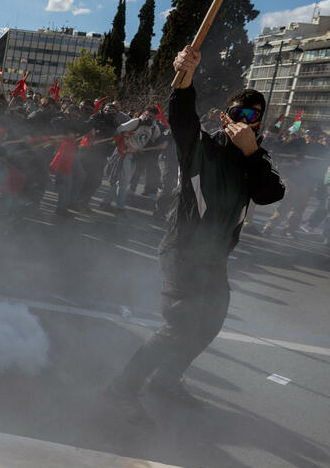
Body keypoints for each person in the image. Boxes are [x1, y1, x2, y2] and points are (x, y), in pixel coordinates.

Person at [106, 46, 285, 425]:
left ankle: (167, 378)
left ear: (259, 125)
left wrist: (252, 153)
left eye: (254, 117)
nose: (246, 121)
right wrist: (183, 75)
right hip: (183, 251)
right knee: (181, 323)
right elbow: (182, 116)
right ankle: (121, 389)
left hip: (215, 258)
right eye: (239, 113)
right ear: (225, 117)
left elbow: (271, 194)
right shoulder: (202, 147)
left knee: (212, 321)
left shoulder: (256, 159)